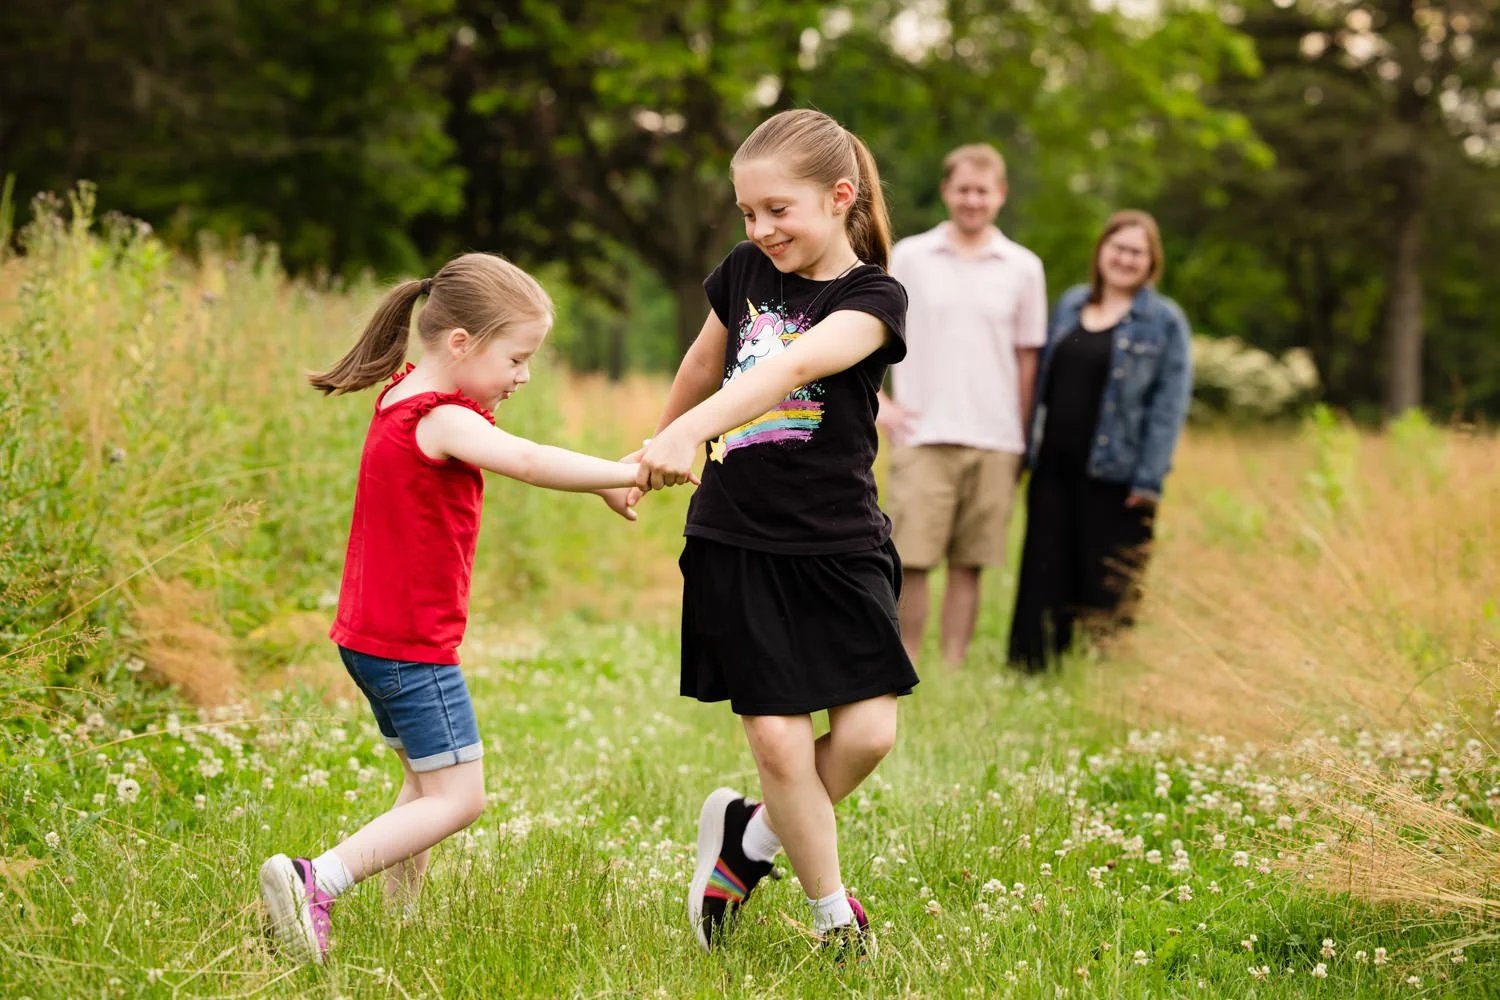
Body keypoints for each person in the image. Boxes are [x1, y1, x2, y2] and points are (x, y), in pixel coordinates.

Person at [258, 252, 661, 964]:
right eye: (517, 357)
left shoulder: (403, 392)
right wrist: (625, 474)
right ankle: (314, 881)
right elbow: (532, 462)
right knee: (460, 798)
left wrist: (601, 485)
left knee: (423, 786)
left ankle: (400, 921)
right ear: (460, 344)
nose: (524, 375)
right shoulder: (442, 418)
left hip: (371, 638)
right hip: (411, 648)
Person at [630, 108, 914, 958]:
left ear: (839, 197)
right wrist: (657, 444)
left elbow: (792, 366)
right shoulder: (745, 270)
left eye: (778, 211)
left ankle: (748, 842)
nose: (761, 230)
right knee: (778, 738)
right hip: (739, 537)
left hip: (839, 540)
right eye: (748, 213)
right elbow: (699, 363)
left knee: (868, 733)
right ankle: (836, 919)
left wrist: (692, 432)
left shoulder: (875, 297)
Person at [878, 143, 1046, 666]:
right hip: (924, 432)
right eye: (963, 189)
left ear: (999, 195)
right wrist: (879, 404)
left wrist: (1021, 436)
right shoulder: (910, 256)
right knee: (914, 558)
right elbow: (870, 329)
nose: (972, 200)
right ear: (947, 191)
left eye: (983, 190)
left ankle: (952, 666)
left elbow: (1027, 360)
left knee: (971, 562)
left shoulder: (1023, 268)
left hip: (996, 438)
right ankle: (907, 662)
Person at [1007, 210, 1192, 672]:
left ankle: (1101, 669)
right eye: (1118, 248)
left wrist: (1149, 479)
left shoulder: (1164, 321)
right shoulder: (1070, 305)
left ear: (1152, 262)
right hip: (1053, 467)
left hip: (1118, 473)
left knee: (1108, 576)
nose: (1125, 258)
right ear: (1101, 252)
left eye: (1137, 251)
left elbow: (1168, 407)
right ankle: (1034, 665)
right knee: (1046, 568)